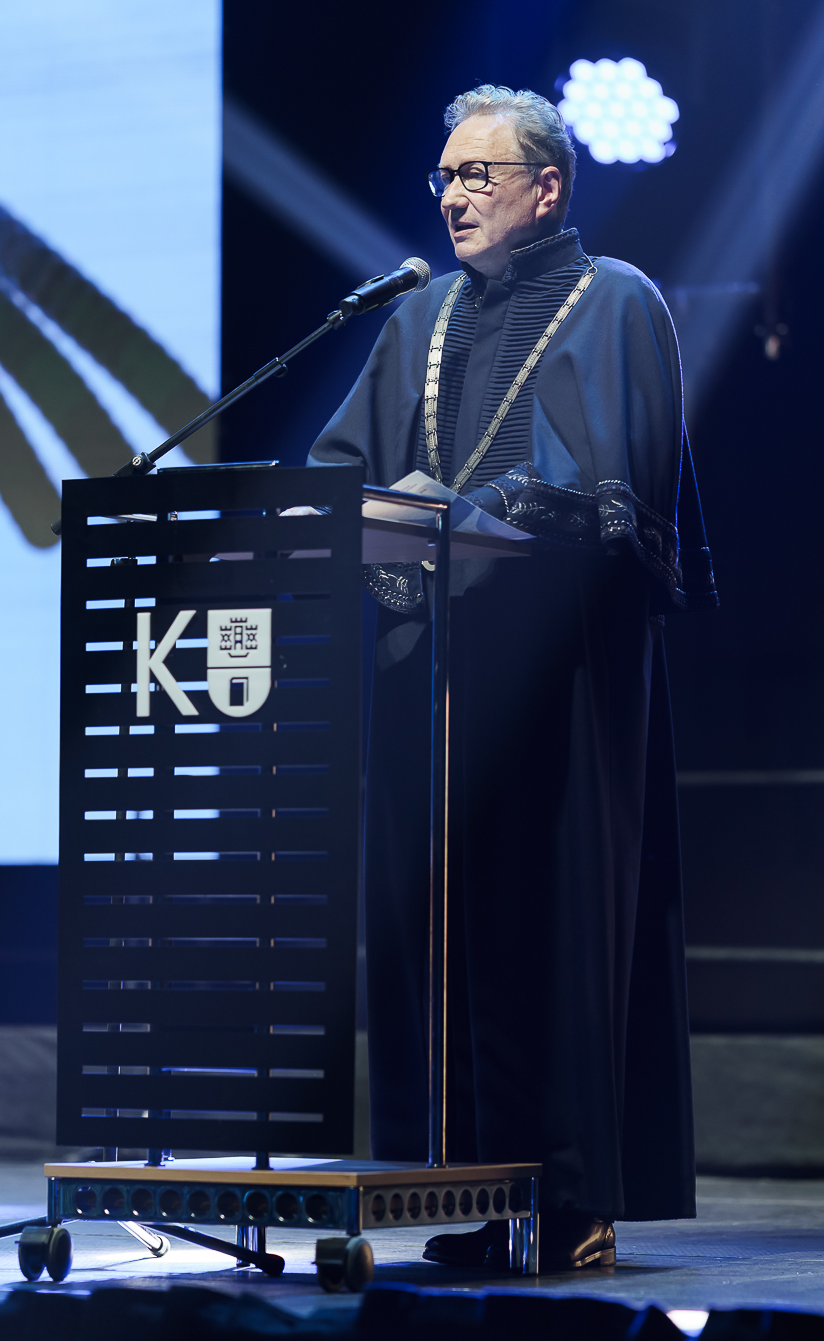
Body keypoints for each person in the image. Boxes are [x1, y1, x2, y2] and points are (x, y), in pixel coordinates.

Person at [308, 85, 716, 1272]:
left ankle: (572, 1198)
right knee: (443, 943)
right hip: (430, 684)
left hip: (556, 683)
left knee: (551, 930)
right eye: (441, 176)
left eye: (474, 174)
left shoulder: (616, 300)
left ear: (545, 187)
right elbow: (343, 469)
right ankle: (472, 1189)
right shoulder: (415, 318)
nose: (451, 196)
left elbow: (604, 481)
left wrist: (457, 513)